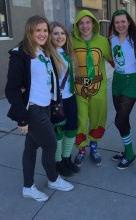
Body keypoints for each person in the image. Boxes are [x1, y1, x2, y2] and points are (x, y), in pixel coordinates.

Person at [5, 15, 74, 202]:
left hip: (45, 107)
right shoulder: (20, 54)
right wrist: (22, 118)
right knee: (50, 145)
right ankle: (53, 179)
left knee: (31, 147)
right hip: (33, 110)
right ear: (30, 31)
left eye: (45, 30)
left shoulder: (44, 52)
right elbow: (11, 89)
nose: (43, 34)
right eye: (39, 30)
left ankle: (28, 187)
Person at [72, 9, 113, 167]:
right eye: (81, 23)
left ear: (93, 24)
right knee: (81, 119)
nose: (85, 26)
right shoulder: (71, 41)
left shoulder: (102, 41)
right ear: (77, 25)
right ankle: (81, 149)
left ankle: (94, 147)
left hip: (98, 89)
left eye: (88, 22)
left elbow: (113, 60)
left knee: (97, 119)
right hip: (78, 89)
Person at [108, 10, 136, 169]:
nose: (120, 25)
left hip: (132, 82)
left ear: (128, 22)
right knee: (123, 119)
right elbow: (112, 59)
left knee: (119, 119)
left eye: (123, 21)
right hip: (117, 81)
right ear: (113, 25)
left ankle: (130, 154)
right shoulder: (112, 39)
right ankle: (126, 150)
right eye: (116, 22)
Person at [50, 21, 80, 176]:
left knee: (72, 128)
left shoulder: (68, 53)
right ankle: (58, 162)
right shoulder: (48, 54)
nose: (60, 36)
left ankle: (67, 158)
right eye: (55, 33)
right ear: (50, 36)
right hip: (56, 100)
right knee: (58, 131)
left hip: (70, 97)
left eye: (62, 33)